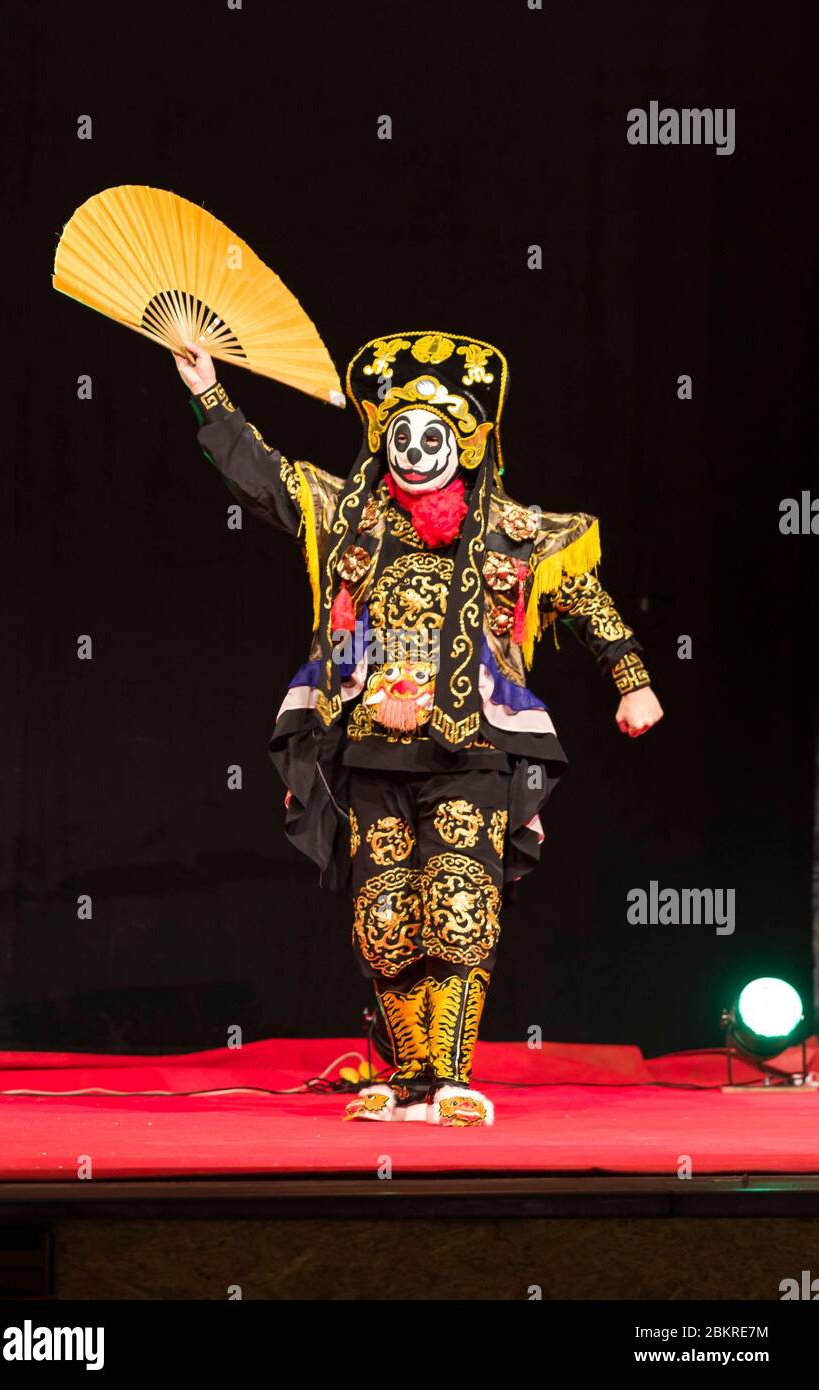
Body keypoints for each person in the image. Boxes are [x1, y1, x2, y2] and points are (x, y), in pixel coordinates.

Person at [174, 331, 663, 1126]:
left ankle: (455, 1078)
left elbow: (584, 598)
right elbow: (263, 480)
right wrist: (207, 392)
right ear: (382, 440)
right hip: (371, 749)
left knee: (458, 898)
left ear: (466, 444)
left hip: (473, 747)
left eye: (432, 437)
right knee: (386, 915)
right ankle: (412, 1077)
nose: (414, 450)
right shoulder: (349, 518)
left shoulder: (511, 528)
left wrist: (631, 679)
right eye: (400, 435)